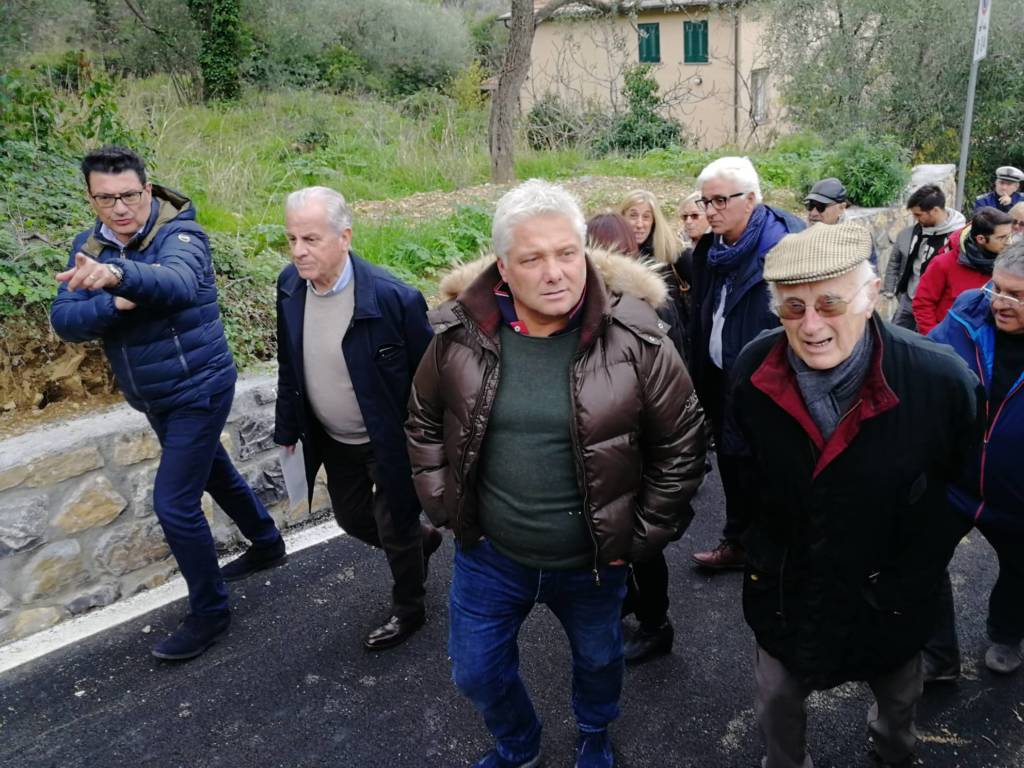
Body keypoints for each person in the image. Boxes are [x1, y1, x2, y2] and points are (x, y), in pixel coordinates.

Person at [406, 179, 706, 768]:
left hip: (593, 561)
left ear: (584, 252)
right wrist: (444, 507)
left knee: (599, 661)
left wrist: (637, 540)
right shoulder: (457, 335)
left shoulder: (638, 338)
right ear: (502, 268)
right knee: (475, 672)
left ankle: (594, 732)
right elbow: (423, 421)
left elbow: (682, 445)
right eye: (532, 259)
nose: (554, 273)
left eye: (567, 253)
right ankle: (519, 745)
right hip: (490, 556)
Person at [730, 223, 981, 768]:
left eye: (830, 303)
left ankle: (893, 754)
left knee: (899, 699)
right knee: (777, 699)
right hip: (787, 584)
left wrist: (917, 568)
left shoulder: (939, 380)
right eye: (793, 307)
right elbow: (742, 467)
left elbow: (963, 487)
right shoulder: (753, 369)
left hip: (891, 590)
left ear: (871, 297)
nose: (811, 325)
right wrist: (756, 543)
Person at [51, 146, 285, 661]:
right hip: (153, 394)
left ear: (147, 188)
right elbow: (64, 319)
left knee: (175, 504)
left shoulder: (180, 235)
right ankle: (267, 543)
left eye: (129, 195)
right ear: (90, 198)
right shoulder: (88, 246)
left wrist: (116, 277)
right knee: (213, 470)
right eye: (106, 198)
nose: (119, 208)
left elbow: (177, 284)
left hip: (199, 387)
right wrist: (116, 302)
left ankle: (210, 613)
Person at [274, 186, 439, 651]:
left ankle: (410, 608)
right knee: (351, 518)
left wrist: (428, 443)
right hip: (333, 438)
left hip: (388, 441)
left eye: (311, 239)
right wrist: (286, 427)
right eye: (292, 239)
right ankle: (422, 542)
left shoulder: (393, 298)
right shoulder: (289, 287)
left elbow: (431, 379)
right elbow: (290, 364)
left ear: (344, 237)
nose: (299, 251)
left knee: (396, 525)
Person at [688, 157, 805, 571]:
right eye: (706, 201)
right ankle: (739, 542)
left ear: (751, 199)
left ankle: (778, 554)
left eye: (721, 200)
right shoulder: (711, 249)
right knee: (732, 461)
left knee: (770, 467)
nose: (711, 210)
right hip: (723, 378)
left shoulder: (785, 248)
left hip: (771, 384)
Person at [584, 212, 690, 664]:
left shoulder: (646, 306)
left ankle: (656, 625)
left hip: (640, 443)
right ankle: (632, 600)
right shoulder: (598, 303)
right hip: (612, 441)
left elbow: (674, 380)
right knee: (617, 537)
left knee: (642, 543)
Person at [926, 243, 1024, 679]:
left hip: (1018, 495)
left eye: (1017, 296)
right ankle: (938, 655)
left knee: (1019, 573)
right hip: (956, 480)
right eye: (996, 288)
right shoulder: (969, 311)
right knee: (921, 558)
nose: (1000, 302)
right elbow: (928, 362)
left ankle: (1007, 632)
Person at [619, 189, 693, 361]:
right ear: (622, 218)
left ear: (654, 221)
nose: (639, 224)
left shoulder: (672, 252)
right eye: (633, 215)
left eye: (646, 217)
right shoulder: (615, 256)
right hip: (635, 348)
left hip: (674, 342)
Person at [912, 207, 1013, 334]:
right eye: (1002, 238)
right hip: (947, 342)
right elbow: (923, 303)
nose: (1009, 242)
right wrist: (934, 339)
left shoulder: (1010, 265)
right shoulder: (943, 263)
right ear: (981, 239)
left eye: (1010, 235)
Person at [882, 184, 966, 330]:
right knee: (894, 337)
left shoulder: (959, 239)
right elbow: (895, 261)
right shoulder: (910, 233)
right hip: (908, 300)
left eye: (919, 215)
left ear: (935, 211)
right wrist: (890, 289)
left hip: (935, 306)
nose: (916, 219)